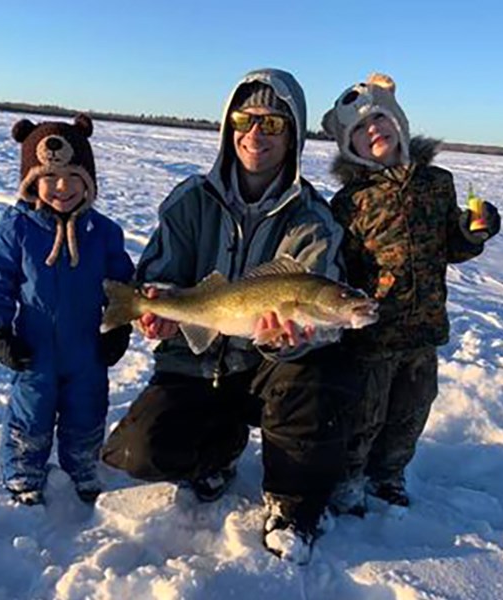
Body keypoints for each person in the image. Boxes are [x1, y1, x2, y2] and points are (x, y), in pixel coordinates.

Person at [102, 68, 358, 563]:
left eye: (274, 124)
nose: (256, 133)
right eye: (245, 119)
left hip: (267, 370)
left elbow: (319, 308)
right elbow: (159, 271)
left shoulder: (312, 218)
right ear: (228, 126)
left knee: (323, 378)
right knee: (135, 453)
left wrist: (291, 339)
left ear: (295, 136)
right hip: (196, 363)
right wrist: (152, 310)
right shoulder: (190, 199)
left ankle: (291, 505)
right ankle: (216, 453)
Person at [321, 73, 501, 515]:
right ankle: (349, 479)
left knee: (411, 411)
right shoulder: (349, 202)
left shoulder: (437, 183)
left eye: (380, 119)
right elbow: (338, 267)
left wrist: (473, 231)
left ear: (399, 123)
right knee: (365, 414)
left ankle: (389, 475)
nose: (373, 131)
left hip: (424, 330)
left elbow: (451, 246)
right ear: (350, 147)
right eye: (360, 130)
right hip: (372, 334)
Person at [0, 115, 134, 507]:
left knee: (88, 410)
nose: (61, 188)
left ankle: (82, 467)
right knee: (31, 412)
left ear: (89, 183)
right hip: (36, 348)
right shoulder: (14, 231)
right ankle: (24, 472)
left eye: (72, 178)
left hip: (87, 347)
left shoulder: (104, 233)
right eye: (49, 178)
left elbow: (122, 283)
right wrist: (0, 331)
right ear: (32, 183)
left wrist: (119, 328)